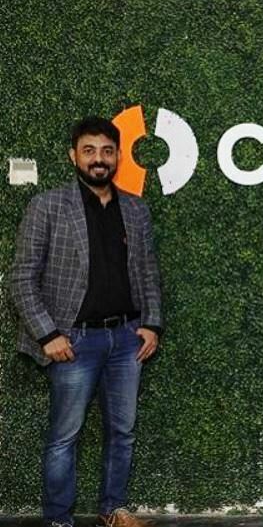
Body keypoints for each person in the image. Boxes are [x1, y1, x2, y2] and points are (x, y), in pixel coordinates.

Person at [10, 116, 162, 527]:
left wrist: (151, 324)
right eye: (89, 150)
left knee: (123, 432)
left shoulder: (136, 209)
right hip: (73, 342)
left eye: (107, 151)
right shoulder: (47, 206)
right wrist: (48, 334)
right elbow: (21, 277)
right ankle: (59, 520)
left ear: (118, 157)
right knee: (65, 437)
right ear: (73, 156)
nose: (99, 159)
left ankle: (113, 511)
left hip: (127, 340)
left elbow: (148, 272)